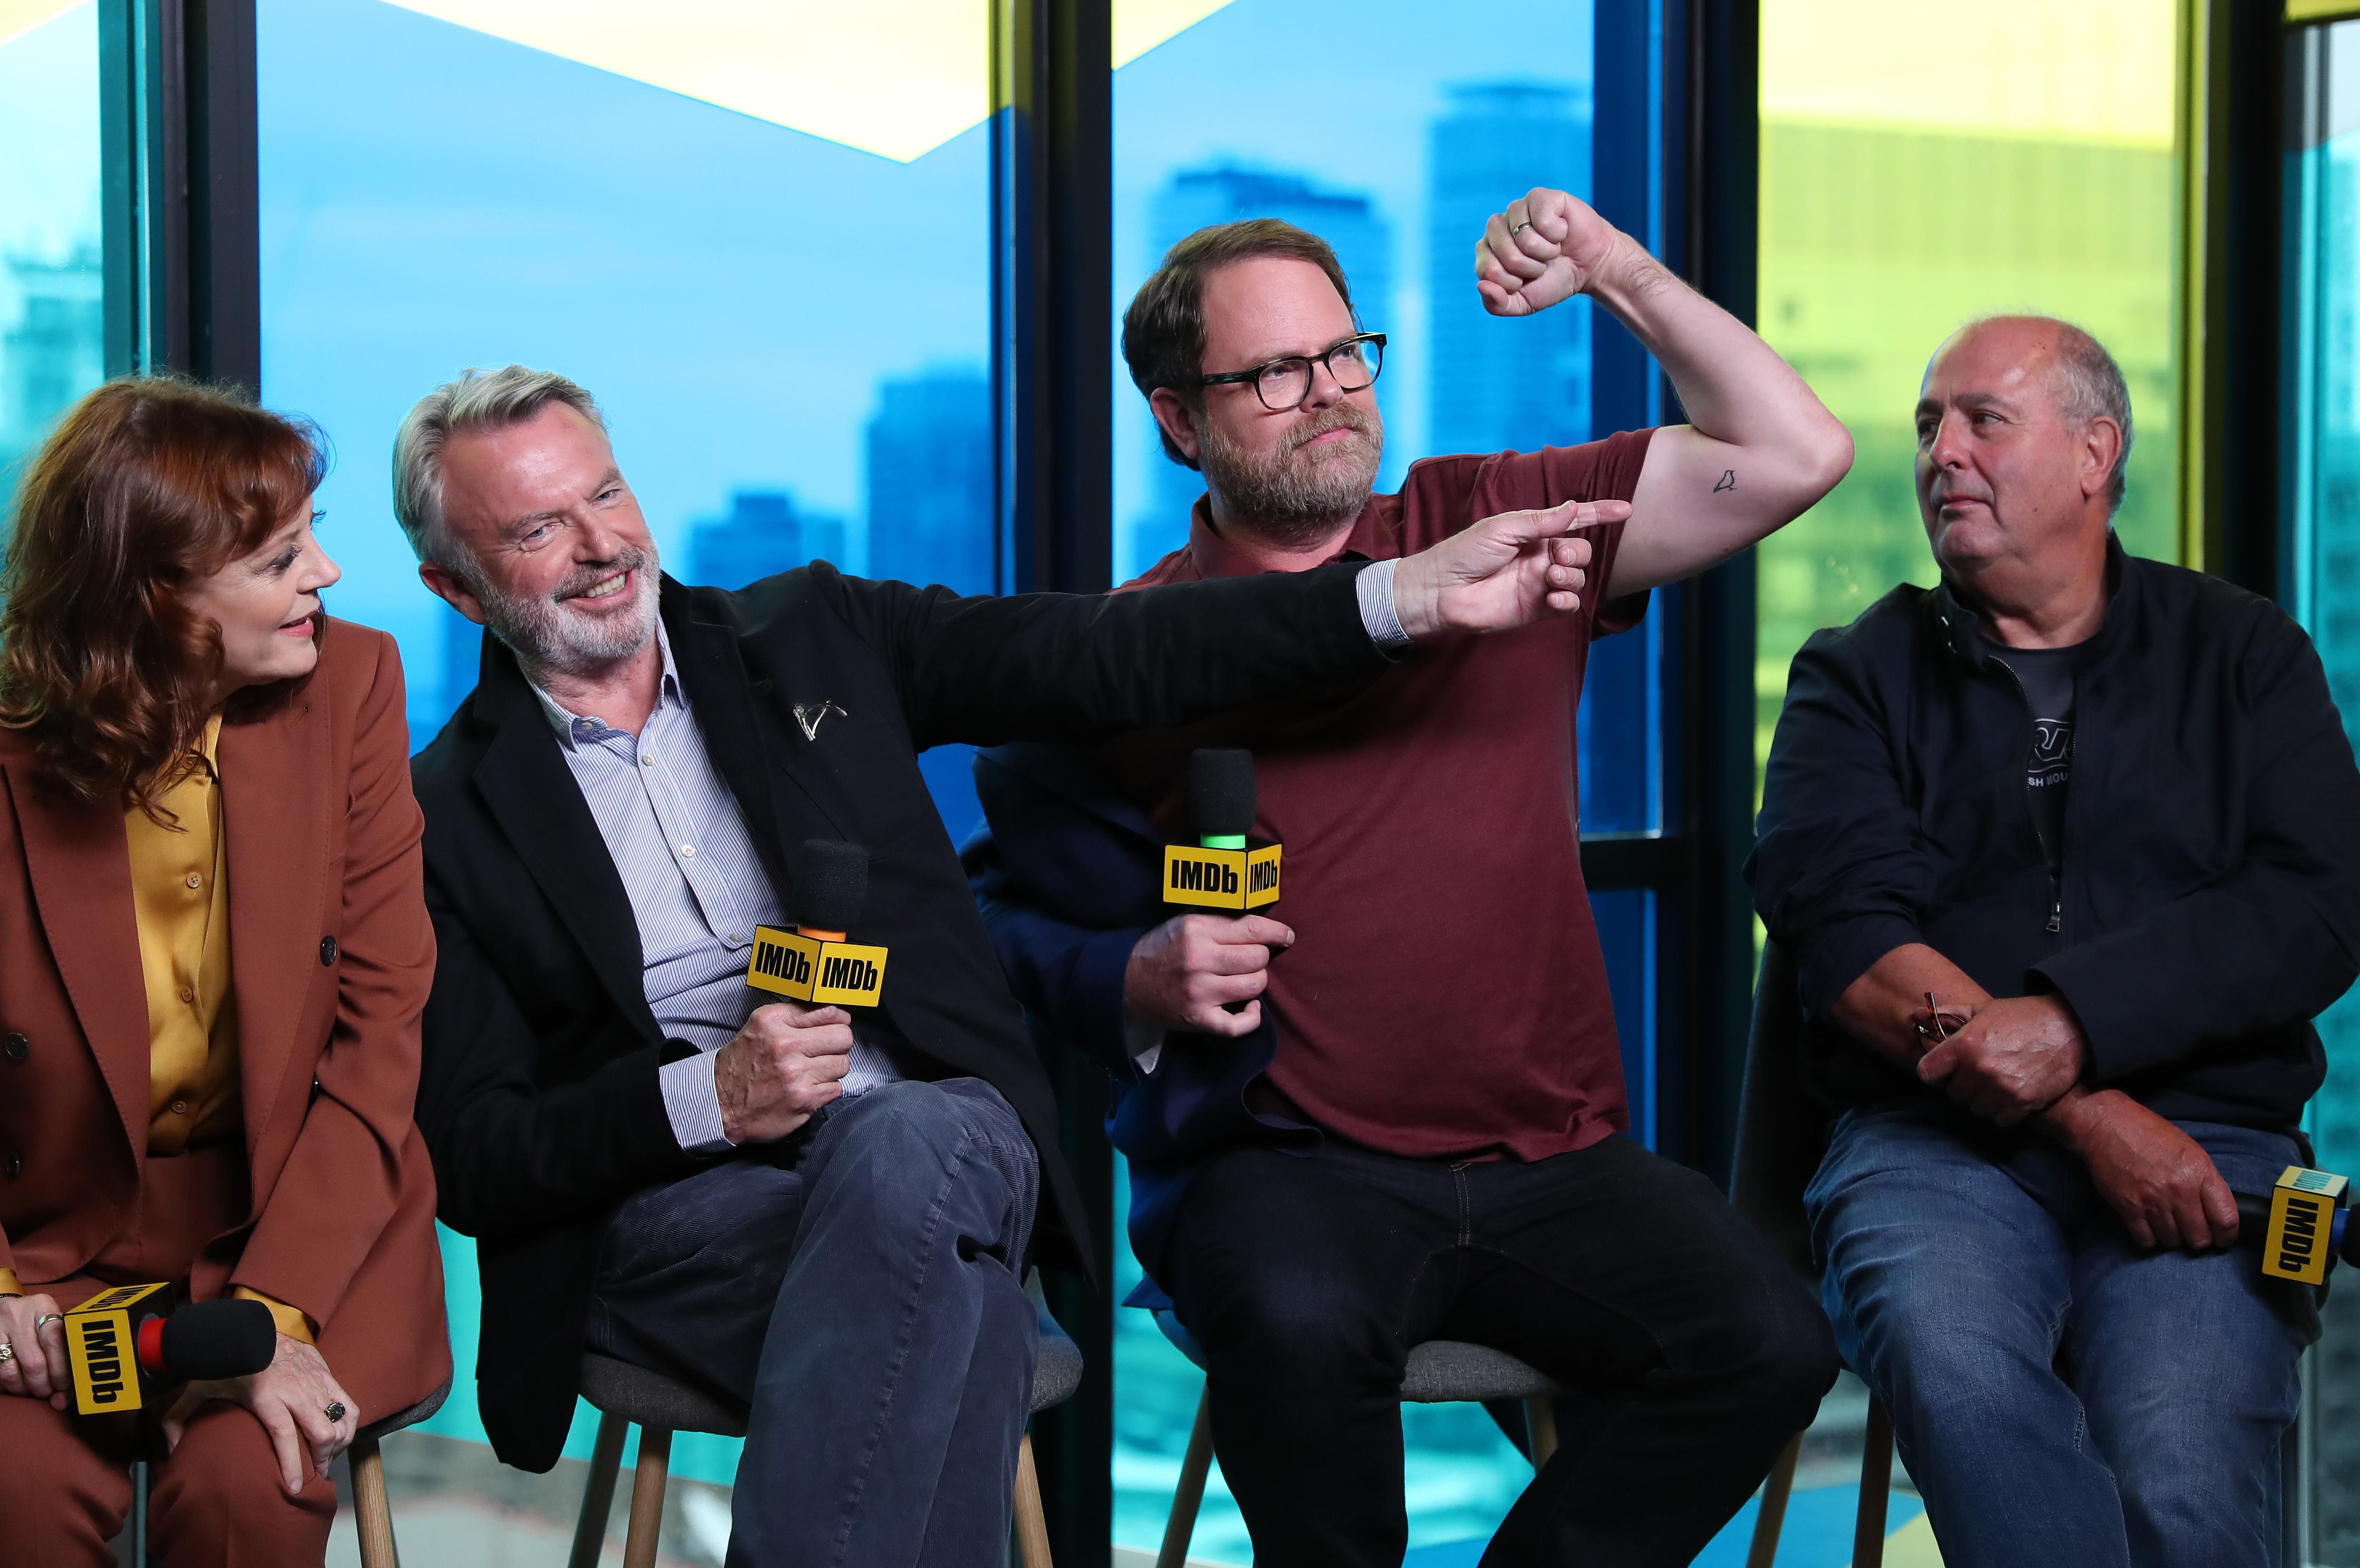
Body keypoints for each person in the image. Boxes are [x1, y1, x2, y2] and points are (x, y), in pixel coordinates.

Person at [395, 363, 1621, 1567]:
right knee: (961, 1314)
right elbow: (483, 1156)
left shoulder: (811, 637)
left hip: (931, 1135)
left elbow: (1099, 650)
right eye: (540, 528)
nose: (602, 544)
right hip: (687, 1209)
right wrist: (710, 1095)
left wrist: (1395, 597)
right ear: (456, 588)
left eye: (606, 493)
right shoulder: (443, 813)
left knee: (908, 1137)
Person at [965, 190, 1852, 1566]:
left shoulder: (1495, 514)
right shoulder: (1133, 646)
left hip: (1549, 1154)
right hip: (1286, 1163)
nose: (1326, 393)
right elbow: (991, 914)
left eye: (1342, 354)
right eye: (1271, 371)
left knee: (1771, 1340)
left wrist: (1615, 269)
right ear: (1178, 421)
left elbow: (1796, 451)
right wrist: (1133, 972)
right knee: (1301, 1334)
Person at [1749, 315, 2360, 1568]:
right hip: (1927, 1145)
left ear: (2096, 453)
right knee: (1959, 1365)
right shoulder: (1853, 674)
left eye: (1983, 417)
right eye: (1929, 424)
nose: (1942, 452)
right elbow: (1848, 938)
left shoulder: (2247, 654)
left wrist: (2070, 1023)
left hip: (2207, 1139)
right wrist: (2089, 1109)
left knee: (2183, 1476)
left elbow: (2309, 908)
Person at [0, 376, 452, 1566]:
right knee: (19, 1493)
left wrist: (270, 1312)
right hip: (48, 1240)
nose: (328, 576)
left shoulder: (353, 684)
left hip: (305, 1216)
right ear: (153, 601)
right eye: (277, 558)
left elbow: (379, 1033)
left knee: (251, 1488)